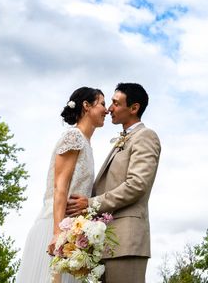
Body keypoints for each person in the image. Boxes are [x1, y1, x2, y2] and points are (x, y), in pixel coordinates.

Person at [67, 82, 161, 283]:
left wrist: (90, 204)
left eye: (116, 103)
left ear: (134, 108)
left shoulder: (145, 137)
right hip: (105, 244)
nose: (110, 108)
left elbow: (136, 185)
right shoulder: (124, 139)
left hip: (126, 243)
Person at [16, 87, 107, 283]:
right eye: (102, 104)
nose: (106, 110)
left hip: (75, 232)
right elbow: (60, 187)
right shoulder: (73, 137)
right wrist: (57, 234)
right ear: (86, 106)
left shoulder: (86, 144)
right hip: (56, 226)